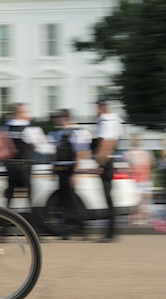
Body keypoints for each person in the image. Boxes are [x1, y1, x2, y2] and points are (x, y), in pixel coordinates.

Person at [46, 109, 92, 239]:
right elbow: (54, 153)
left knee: (72, 200)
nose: (55, 120)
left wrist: (75, 174)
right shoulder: (57, 133)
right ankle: (67, 229)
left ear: (64, 118)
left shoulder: (76, 133)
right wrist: (52, 168)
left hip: (70, 169)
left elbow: (79, 155)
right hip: (61, 170)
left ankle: (81, 227)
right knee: (64, 200)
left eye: (57, 117)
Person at [0, 103, 50, 216]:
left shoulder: (5, 128)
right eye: (27, 112)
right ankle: (33, 223)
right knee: (29, 195)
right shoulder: (30, 128)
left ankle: (5, 224)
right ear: (20, 113)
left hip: (11, 166)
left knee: (10, 195)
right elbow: (39, 146)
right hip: (25, 165)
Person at [92, 99, 123, 242]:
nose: (95, 111)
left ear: (101, 108)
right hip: (108, 161)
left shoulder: (105, 121)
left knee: (108, 198)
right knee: (109, 198)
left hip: (105, 162)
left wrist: (100, 163)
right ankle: (111, 232)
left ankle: (110, 233)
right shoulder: (115, 121)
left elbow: (106, 143)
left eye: (97, 108)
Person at [125, 134, 155, 226]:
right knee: (144, 201)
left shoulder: (128, 153)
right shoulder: (146, 153)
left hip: (134, 179)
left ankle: (135, 217)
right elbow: (152, 164)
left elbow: (126, 167)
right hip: (145, 179)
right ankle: (144, 217)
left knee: (135, 200)